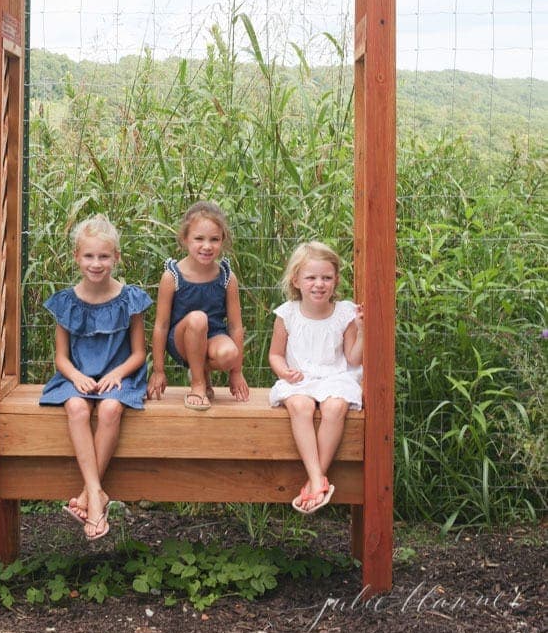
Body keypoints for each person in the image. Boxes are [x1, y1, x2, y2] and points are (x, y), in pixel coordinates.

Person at [39, 214, 152, 540]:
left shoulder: (130, 299)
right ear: (76, 257)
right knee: (76, 408)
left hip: (119, 379)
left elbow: (138, 354)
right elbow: (61, 357)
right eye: (89, 256)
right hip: (77, 378)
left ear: (116, 257)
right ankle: (95, 493)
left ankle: (89, 497)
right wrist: (76, 377)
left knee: (110, 410)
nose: (96, 263)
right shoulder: (66, 302)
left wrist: (117, 373)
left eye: (104, 256)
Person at [268, 240, 363, 513]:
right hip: (301, 379)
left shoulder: (344, 313)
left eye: (326, 277)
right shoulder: (287, 314)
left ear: (336, 280)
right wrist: (283, 370)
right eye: (311, 277)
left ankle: (314, 481)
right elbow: (275, 354)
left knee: (336, 406)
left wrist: (362, 330)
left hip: (335, 376)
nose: (319, 284)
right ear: (296, 280)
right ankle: (317, 478)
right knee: (301, 405)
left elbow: (353, 358)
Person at [147, 200, 250, 410]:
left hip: (213, 336)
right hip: (181, 339)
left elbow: (235, 326)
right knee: (197, 318)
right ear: (185, 239)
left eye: (214, 239)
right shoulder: (172, 276)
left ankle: (202, 372)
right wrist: (158, 370)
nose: (207, 246)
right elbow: (161, 325)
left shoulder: (227, 278)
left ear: (223, 240)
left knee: (230, 354)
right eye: (199, 238)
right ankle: (198, 384)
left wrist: (236, 372)